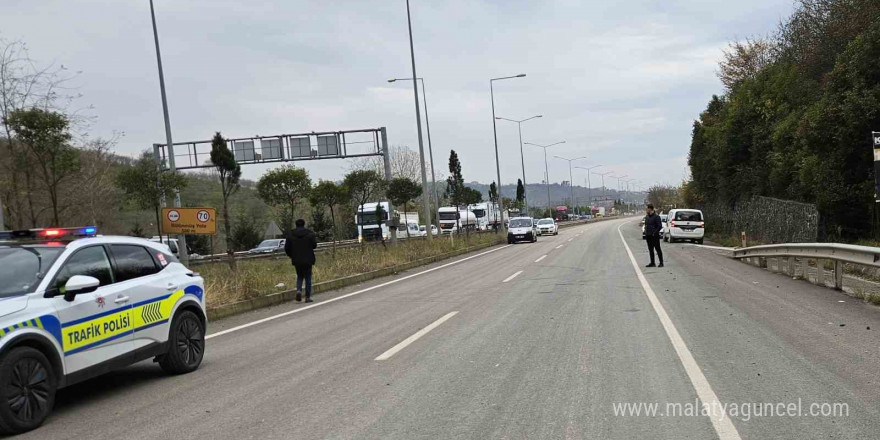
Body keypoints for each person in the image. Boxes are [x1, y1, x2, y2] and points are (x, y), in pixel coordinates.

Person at [284, 218, 317, 302]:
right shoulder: (310, 234)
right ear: (303, 224)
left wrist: (292, 256)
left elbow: (287, 248)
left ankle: (299, 290)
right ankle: (307, 297)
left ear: (296, 225)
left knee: (299, 276)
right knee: (308, 277)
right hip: (308, 259)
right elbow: (314, 245)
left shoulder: (290, 234)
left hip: (296, 259)